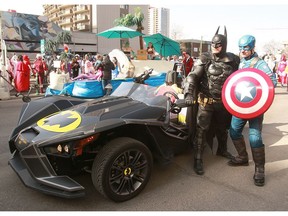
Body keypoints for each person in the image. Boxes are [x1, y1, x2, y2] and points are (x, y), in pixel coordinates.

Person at [183, 26, 240, 175]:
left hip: (224, 102)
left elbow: (240, 78)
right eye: (213, 44)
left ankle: (222, 150)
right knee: (201, 130)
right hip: (206, 101)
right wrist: (189, 94)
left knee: (223, 128)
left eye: (219, 44)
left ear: (225, 44)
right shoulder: (205, 58)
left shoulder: (234, 59)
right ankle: (198, 158)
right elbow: (193, 76)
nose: (215, 47)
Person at [228, 35, 277, 187]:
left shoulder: (260, 64)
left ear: (252, 48)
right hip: (240, 105)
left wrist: (260, 92)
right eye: (241, 48)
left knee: (255, 137)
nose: (242, 51)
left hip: (255, 107)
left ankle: (259, 169)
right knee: (234, 131)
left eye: (246, 48)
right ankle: (242, 157)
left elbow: (272, 82)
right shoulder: (242, 62)